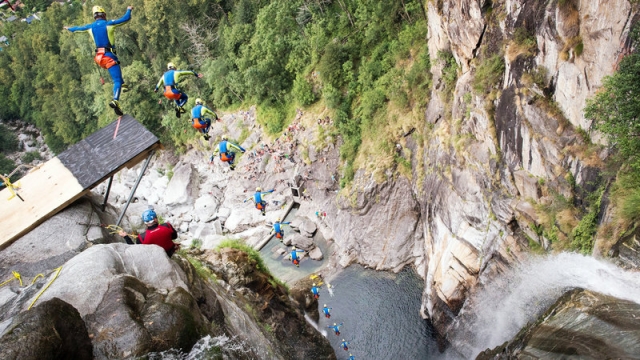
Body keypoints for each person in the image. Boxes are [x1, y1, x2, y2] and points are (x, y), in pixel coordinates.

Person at [64, 5, 133, 116]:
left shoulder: (90, 27)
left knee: (117, 74)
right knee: (116, 80)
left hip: (99, 58)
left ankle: (123, 86)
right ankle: (115, 100)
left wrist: (69, 29)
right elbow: (125, 19)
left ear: (94, 16)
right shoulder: (108, 24)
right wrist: (129, 9)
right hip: (108, 56)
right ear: (104, 15)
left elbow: (78, 29)